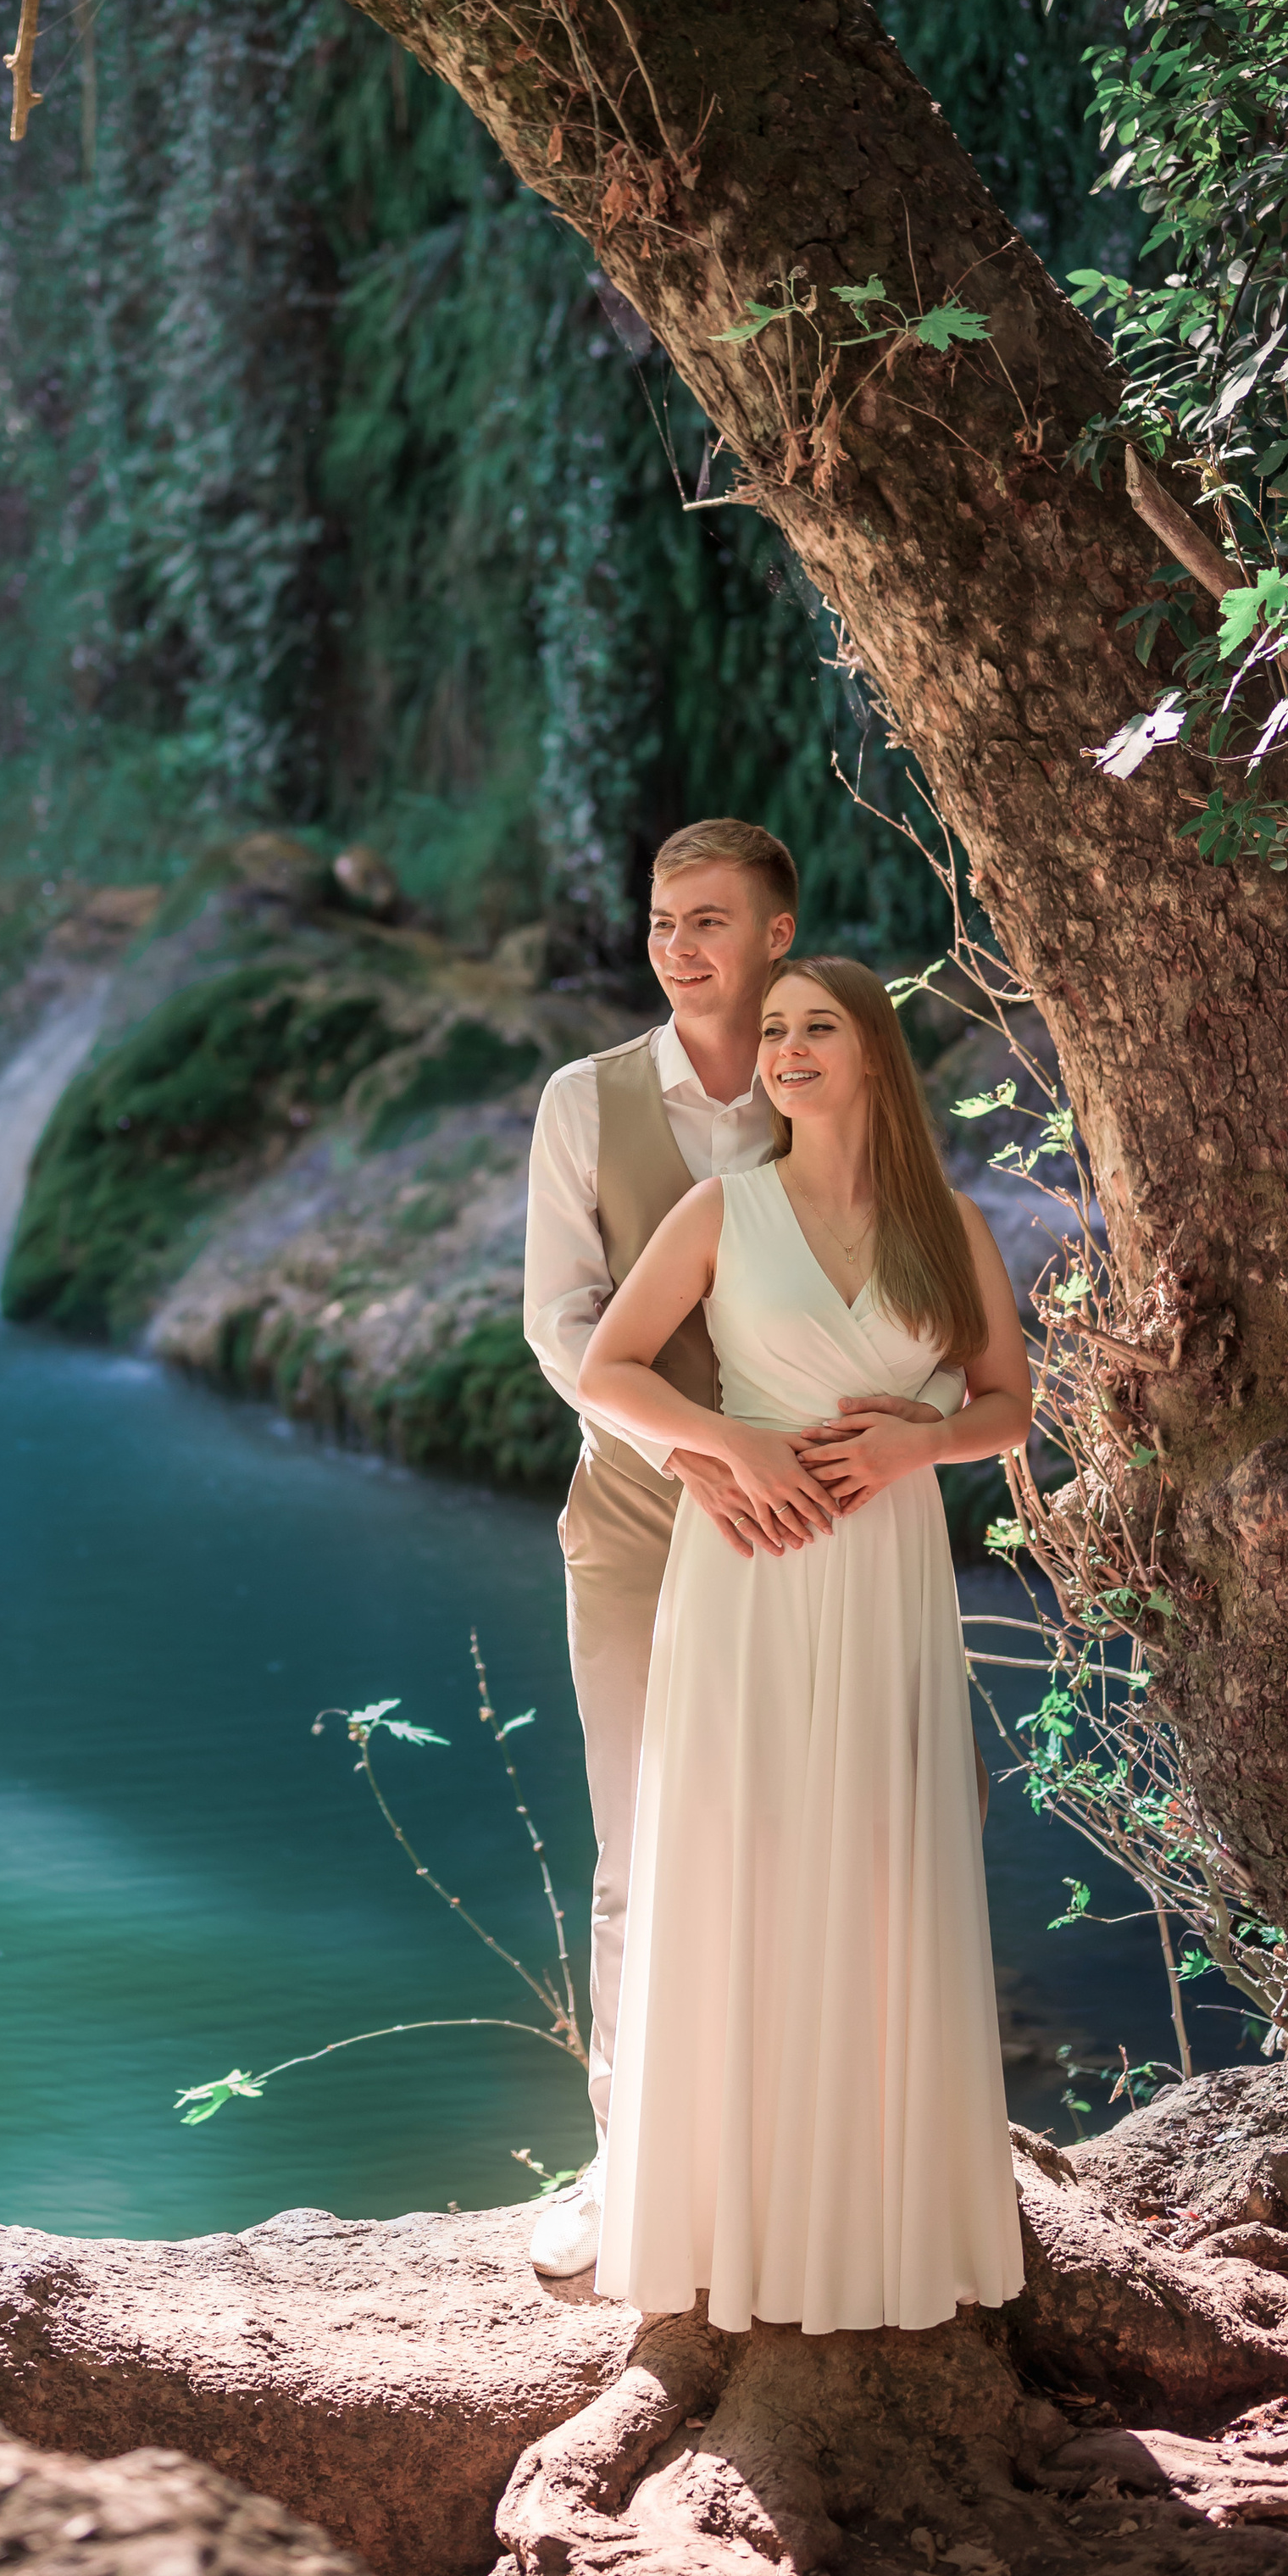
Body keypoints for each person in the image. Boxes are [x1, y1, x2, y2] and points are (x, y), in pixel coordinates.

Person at [573, 955, 1030, 2329]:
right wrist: (731, 1439)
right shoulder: (722, 1209)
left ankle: (875, 2220)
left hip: (887, 1571)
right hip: (748, 1578)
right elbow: (608, 1368)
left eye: (815, 1026)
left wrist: (922, 1442)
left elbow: (1008, 1404)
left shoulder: (946, 1226)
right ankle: (729, 2220)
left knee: (878, 1871)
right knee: (743, 1863)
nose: (783, 1048)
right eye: (771, 1030)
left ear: (876, 1056)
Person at [519, 819, 800, 2278]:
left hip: (805, 1525)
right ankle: (629, 2165)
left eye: (709, 919)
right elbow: (557, 1323)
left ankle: (785, 2160)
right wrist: (692, 1445)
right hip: (634, 1512)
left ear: (777, 936)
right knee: (636, 1847)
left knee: (790, 1838)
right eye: (661, 920)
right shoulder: (586, 1098)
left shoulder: (826, 1087)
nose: (680, 945)